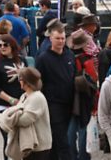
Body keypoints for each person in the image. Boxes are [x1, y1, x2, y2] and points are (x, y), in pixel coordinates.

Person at [35, 24, 75, 160]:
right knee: (63, 141)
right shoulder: (43, 58)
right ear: (51, 39)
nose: (61, 41)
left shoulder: (70, 55)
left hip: (69, 103)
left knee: (57, 141)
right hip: (53, 105)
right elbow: (38, 83)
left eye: (63, 38)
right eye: (58, 38)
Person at [0, 67, 52, 160]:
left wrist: (8, 117)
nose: (19, 81)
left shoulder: (37, 97)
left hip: (39, 146)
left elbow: (25, 120)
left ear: (26, 82)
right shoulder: (24, 96)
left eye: (20, 79)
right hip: (29, 145)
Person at [0, 34, 25, 160]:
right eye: (0, 45)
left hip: (21, 105)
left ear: (12, 46)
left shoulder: (22, 61)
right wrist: (10, 100)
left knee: (21, 138)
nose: (2, 47)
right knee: (8, 137)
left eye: (5, 44)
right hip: (1, 106)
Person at [66, 29, 98, 160]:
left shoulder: (67, 57)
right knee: (83, 130)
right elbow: (94, 81)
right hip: (84, 99)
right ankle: (83, 157)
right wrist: (95, 105)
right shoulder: (87, 59)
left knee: (70, 132)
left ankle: (72, 156)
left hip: (69, 99)